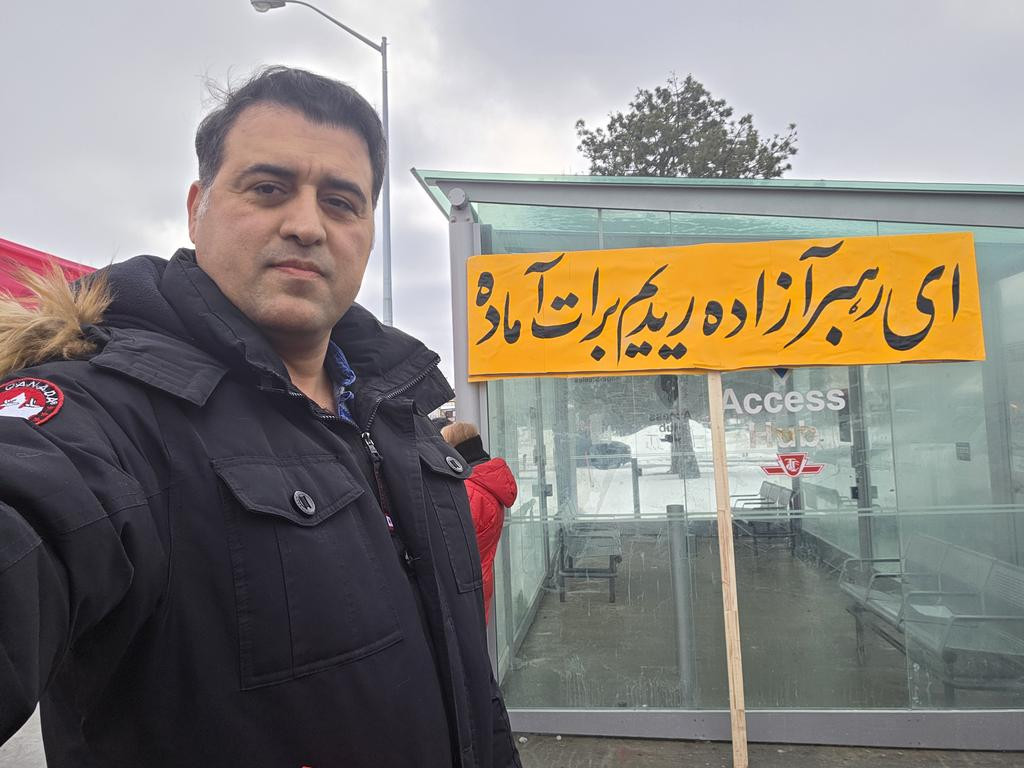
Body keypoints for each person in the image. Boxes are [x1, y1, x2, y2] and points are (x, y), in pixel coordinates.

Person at [0, 66, 520, 768]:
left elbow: (472, 690)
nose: (306, 225)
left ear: (368, 232)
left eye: (341, 202)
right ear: (198, 208)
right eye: (269, 188)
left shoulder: (401, 420)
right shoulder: (106, 412)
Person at [441, 421, 517, 623]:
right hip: (479, 581)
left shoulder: (469, 491)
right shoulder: (484, 482)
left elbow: (450, 543)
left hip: (465, 589)